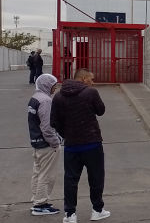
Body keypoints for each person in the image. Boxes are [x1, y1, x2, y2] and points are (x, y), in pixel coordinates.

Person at [51, 69, 111, 222]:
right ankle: (97, 210)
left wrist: (67, 134)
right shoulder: (90, 92)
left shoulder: (58, 96)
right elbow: (101, 111)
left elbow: (54, 122)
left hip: (71, 145)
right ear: (83, 79)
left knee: (71, 179)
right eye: (91, 79)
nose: (93, 82)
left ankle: (70, 214)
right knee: (96, 177)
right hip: (92, 143)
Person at [27, 74, 61, 216]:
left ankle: (36, 200)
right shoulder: (46, 101)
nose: (55, 88)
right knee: (46, 175)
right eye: (54, 85)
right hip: (46, 145)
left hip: (36, 142)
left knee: (38, 173)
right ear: (47, 85)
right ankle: (40, 204)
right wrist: (56, 142)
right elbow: (47, 127)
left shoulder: (35, 98)